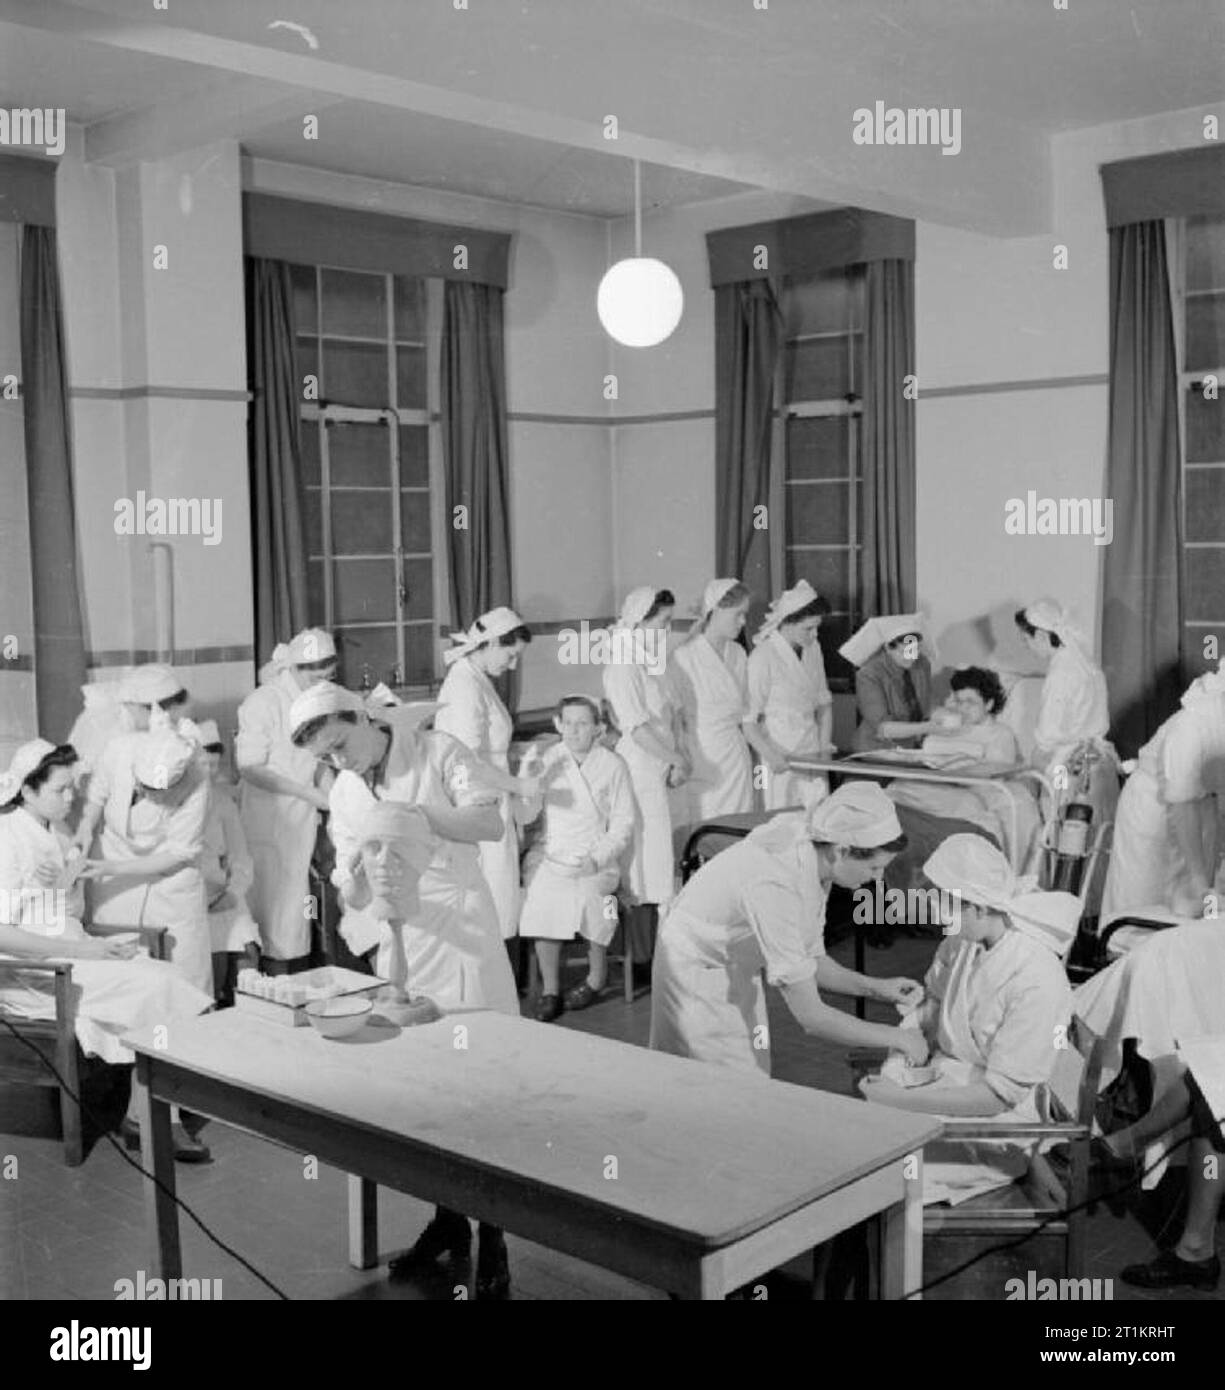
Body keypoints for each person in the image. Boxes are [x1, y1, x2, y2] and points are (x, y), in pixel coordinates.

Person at [288, 680, 517, 1298]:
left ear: (362, 718)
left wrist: (417, 816)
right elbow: (353, 888)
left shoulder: (439, 751)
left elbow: (491, 822)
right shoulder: (343, 787)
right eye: (326, 758)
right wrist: (356, 873)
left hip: (461, 921)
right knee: (425, 1094)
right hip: (402, 941)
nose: (339, 762)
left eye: (341, 745)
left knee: (480, 1089)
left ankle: (495, 1235)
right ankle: (448, 1223)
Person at [0, 741, 213, 1158]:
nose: (71, 797)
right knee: (153, 986)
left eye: (71, 788)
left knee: (162, 973)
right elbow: (3, 934)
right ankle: (152, 1119)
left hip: (66, 952)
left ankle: (145, 1108)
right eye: (60, 790)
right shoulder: (5, 838)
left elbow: (66, 911)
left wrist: (67, 884)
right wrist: (86, 951)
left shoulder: (54, 833)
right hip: (30, 972)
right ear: (27, 791)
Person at [650, 782, 927, 1077]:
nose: (878, 878)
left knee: (751, 1067)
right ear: (841, 851)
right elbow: (811, 1017)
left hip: (735, 962)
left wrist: (879, 989)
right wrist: (897, 1038)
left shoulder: (818, 856)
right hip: (695, 974)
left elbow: (811, 960)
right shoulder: (775, 885)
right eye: (874, 868)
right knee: (722, 1084)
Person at [859, 834, 1078, 1205]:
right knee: (849, 1152)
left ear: (978, 907)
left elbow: (997, 1096)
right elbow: (932, 1007)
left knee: (872, 1173)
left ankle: (883, 1259)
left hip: (992, 1128)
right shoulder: (964, 943)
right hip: (940, 1088)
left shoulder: (1036, 978)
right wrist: (904, 1047)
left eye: (945, 905)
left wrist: (899, 1100)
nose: (935, 914)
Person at [518, 696, 636, 1021]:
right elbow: (525, 817)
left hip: (596, 856)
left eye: (583, 723)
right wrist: (529, 783)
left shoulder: (613, 765)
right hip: (553, 854)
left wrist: (598, 859)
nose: (574, 730)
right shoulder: (546, 759)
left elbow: (624, 822)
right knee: (541, 897)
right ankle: (551, 990)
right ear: (557, 725)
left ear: (598, 728)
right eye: (567, 723)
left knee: (594, 898)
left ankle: (596, 978)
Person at [236, 628, 337, 972]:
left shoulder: (319, 701)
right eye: (314, 667)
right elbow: (249, 768)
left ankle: (303, 977)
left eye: (328, 665)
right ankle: (277, 983)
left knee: (299, 909)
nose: (322, 673)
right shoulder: (264, 702)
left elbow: (320, 757)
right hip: (270, 821)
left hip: (302, 820)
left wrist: (334, 795)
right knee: (276, 911)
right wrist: (309, 793)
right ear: (293, 667)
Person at [87, 730, 213, 1001]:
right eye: (142, 786)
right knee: (123, 969)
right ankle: (136, 1040)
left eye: (157, 792)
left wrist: (112, 869)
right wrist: (83, 830)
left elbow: (180, 851)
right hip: (114, 864)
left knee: (185, 975)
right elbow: (96, 795)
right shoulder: (119, 747)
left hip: (170, 878)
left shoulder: (198, 776)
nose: (146, 794)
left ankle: (189, 1039)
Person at [434, 607, 533, 950]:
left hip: (492, 794)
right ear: (490, 643)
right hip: (477, 801)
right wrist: (519, 785)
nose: (513, 664)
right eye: (511, 654)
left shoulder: (476, 679)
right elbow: (469, 760)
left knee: (500, 891)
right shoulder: (463, 685)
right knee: (489, 892)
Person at [601, 586, 686, 970]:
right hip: (638, 769)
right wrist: (676, 758)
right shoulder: (622, 664)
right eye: (663, 623)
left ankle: (661, 952)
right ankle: (641, 953)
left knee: (659, 856)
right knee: (643, 859)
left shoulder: (650, 660)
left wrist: (676, 756)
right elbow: (635, 728)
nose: (667, 631)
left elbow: (670, 714)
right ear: (641, 621)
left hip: (659, 766)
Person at [1100, 661, 1225, 920]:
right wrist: (1199, 877)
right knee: (1144, 903)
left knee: (1190, 912)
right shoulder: (1193, 725)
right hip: (1153, 812)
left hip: (1202, 807)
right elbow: (1182, 805)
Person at [670, 578, 781, 825]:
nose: (743, 622)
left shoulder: (739, 654)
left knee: (737, 825)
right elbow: (673, 718)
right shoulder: (684, 656)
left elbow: (747, 711)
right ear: (716, 610)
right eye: (738, 614)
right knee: (706, 829)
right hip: (702, 756)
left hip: (736, 756)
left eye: (745, 614)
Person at [72, 664, 197, 850]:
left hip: (165, 858)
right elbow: (98, 791)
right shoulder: (118, 743)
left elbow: (161, 789)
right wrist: (86, 825)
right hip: (117, 851)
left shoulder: (180, 750)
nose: (127, 711)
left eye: (132, 707)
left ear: (153, 710)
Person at [747, 580, 835, 810]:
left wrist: (824, 748)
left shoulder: (812, 648)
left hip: (812, 750)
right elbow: (748, 722)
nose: (815, 634)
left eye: (817, 627)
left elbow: (824, 704)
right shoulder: (762, 657)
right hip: (777, 756)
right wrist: (772, 756)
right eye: (808, 628)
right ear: (787, 622)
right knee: (778, 821)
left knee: (817, 816)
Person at [197, 721, 260, 1006]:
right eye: (203, 765)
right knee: (212, 972)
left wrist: (233, 893)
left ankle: (253, 1010)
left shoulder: (223, 803)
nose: (209, 773)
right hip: (190, 901)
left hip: (224, 893)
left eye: (214, 765)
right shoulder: (167, 805)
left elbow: (241, 858)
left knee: (248, 951)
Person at [839, 614, 938, 751]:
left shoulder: (922, 664)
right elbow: (884, 728)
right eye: (904, 651)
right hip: (877, 748)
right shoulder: (869, 674)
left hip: (911, 747)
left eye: (914, 650)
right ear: (888, 648)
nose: (911, 658)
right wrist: (928, 727)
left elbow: (924, 707)